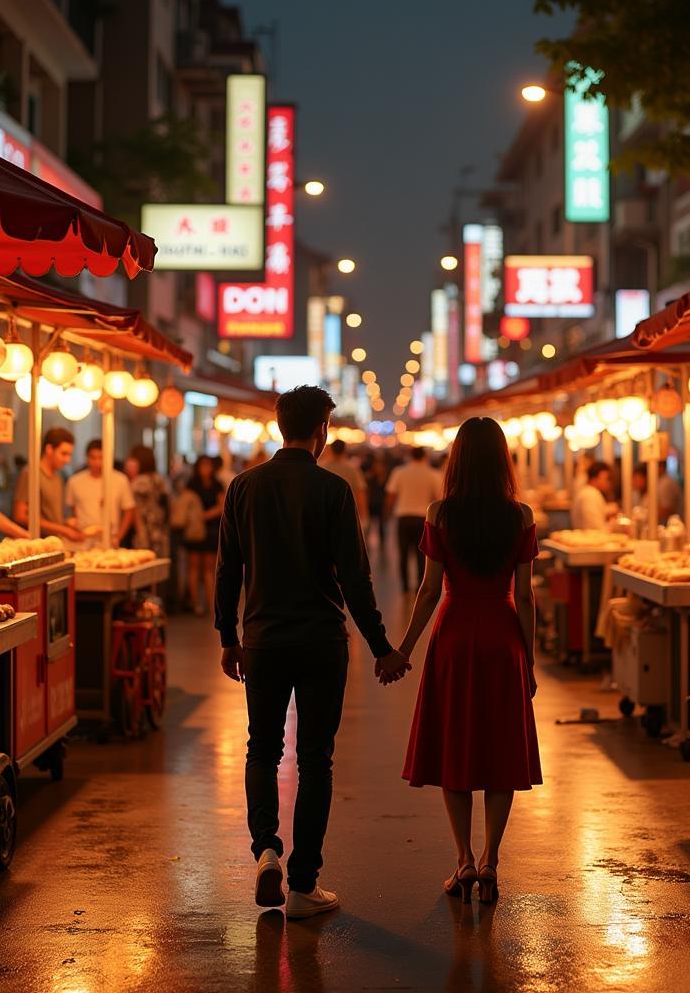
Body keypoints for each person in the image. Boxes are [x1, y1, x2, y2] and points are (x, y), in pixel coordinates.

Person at [214, 385, 409, 919]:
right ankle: (303, 885)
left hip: (263, 641)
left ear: (280, 427)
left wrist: (227, 637)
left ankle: (266, 851)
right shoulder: (333, 490)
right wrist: (382, 648)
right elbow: (355, 577)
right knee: (315, 759)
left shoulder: (243, 487)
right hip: (322, 642)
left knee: (263, 749)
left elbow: (228, 568)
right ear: (322, 429)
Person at [396, 417, 541, 904]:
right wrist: (532, 661)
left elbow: (429, 590)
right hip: (503, 639)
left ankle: (462, 861)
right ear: (503, 459)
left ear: (456, 459)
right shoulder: (519, 516)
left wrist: (405, 648)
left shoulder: (440, 513)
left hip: (454, 637)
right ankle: (491, 862)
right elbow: (525, 596)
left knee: (455, 746)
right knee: (502, 750)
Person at [386, 447, 443, 593]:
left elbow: (391, 495)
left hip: (403, 517)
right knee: (422, 554)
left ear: (410, 456)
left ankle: (404, 585)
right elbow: (438, 498)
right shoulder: (433, 474)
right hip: (423, 518)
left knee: (403, 553)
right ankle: (419, 585)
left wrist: (388, 513)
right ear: (425, 456)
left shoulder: (399, 472)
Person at [14, 428, 85, 543]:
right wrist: (64, 530)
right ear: (49, 449)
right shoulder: (31, 473)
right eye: (64, 454)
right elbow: (20, 515)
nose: (67, 460)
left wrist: (67, 524)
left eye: (70, 455)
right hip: (35, 543)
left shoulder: (58, 477)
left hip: (53, 543)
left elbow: (52, 516)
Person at [65, 440, 136, 549]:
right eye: (93, 458)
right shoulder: (75, 481)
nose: (97, 462)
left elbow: (129, 510)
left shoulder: (120, 480)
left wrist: (118, 537)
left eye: (101, 457)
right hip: (83, 540)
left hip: (110, 539)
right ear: (87, 458)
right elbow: (72, 508)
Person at [185, 455, 225, 615]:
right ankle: (196, 604)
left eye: (208, 465)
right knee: (194, 567)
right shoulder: (192, 484)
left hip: (210, 530)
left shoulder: (217, 484)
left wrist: (204, 515)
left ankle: (211, 604)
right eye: (203, 465)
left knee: (209, 568)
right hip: (195, 531)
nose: (206, 469)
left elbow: (222, 506)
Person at [127, 445, 170, 558]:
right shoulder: (159, 478)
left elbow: (133, 509)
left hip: (144, 530)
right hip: (161, 529)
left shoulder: (138, 482)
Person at [321, 440, 368, 523]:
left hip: (325, 511)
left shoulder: (322, 466)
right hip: (346, 511)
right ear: (344, 450)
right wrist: (364, 516)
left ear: (331, 449)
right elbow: (360, 492)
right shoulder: (353, 469)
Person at [571, 461, 614, 531]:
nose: (608, 483)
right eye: (606, 479)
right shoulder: (591, 495)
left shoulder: (586, 492)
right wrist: (614, 525)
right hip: (588, 539)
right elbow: (596, 528)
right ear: (594, 479)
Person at [365, 456, 389, 552]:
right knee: (369, 524)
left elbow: (388, 493)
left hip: (381, 504)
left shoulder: (386, 478)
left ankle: (382, 544)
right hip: (371, 504)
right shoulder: (369, 477)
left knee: (381, 526)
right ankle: (365, 542)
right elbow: (366, 491)